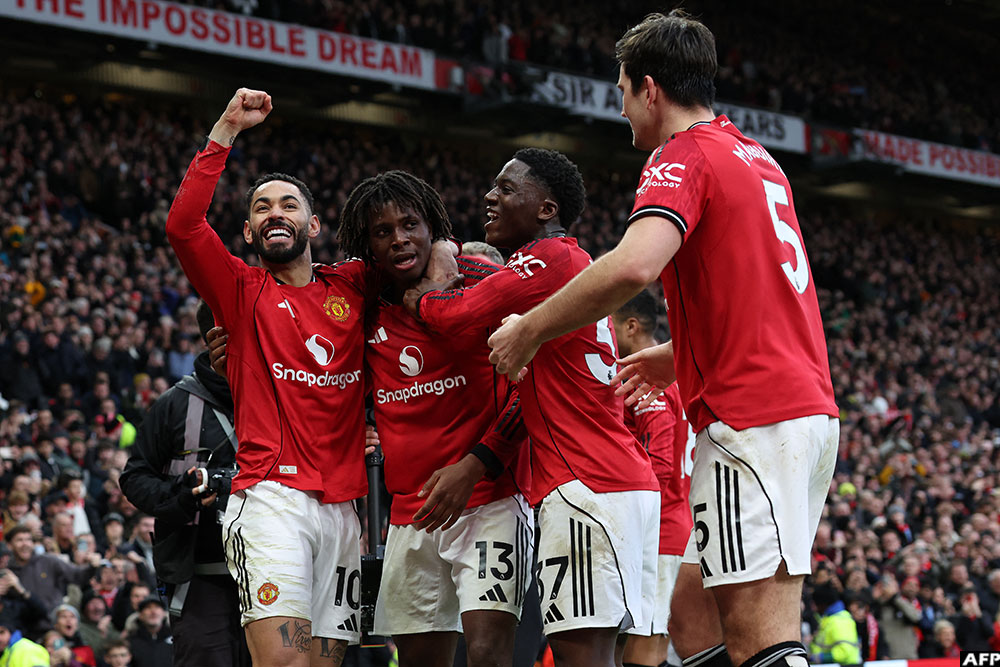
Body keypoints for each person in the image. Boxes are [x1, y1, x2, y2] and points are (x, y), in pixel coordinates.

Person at [485, 12, 839, 667]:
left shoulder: (681, 156)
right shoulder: (756, 157)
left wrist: (529, 328)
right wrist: (679, 356)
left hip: (751, 417)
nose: (621, 109)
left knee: (760, 633)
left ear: (650, 89)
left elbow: (633, 266)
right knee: (691, 607)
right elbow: (765, 297)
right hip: (800, 409)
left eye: (622, 92)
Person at [164, 87, 453, 667]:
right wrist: (225, 131)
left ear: (314, 224)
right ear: (249, 233)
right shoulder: (240, 291)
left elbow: (425, 250)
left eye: (289, 205)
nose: (276, 213)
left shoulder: (354, 284)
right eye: (262, 208)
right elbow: (184, 226)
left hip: (343, 511)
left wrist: (447, 258)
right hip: (271, 499)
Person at [403, 147, 660, 667]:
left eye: (506, 188)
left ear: (546, 209)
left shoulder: (551, 257)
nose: (489, 197)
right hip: (610, 480)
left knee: (583, 657)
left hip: (586, 483)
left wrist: (426, 292)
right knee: (599, 654)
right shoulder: (569, 267)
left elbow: (458, 314)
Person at [336, 171, 532, 667]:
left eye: (411, 225)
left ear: (432, 229)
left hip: (490, 499)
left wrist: (475, 465)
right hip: (412, 513)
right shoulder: (364, 306)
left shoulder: (479, 280)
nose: (399, 239)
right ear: (368, 245)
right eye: (382, 232)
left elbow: (532, 392)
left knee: (488, 654)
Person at [119, 301, 249, 667]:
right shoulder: (174, 403)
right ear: (215, 338)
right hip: (198, 576)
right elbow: (134, 477)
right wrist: (182, 496)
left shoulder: (282, 397)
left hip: (272, 572)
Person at [611, 292, 694, 667]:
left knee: (643, 651)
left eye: (610, 323)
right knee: (639, 646)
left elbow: (658, 464)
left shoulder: (647, 382)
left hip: (658, 533)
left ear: (631, 327)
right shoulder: (674, 378)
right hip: (673, 527)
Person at [808, 584, 860, 666]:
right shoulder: (829, 619)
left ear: (823, 604)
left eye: (815, 604)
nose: (813, 608)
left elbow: (844, 652)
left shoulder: (840, 621)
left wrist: (817, 658)